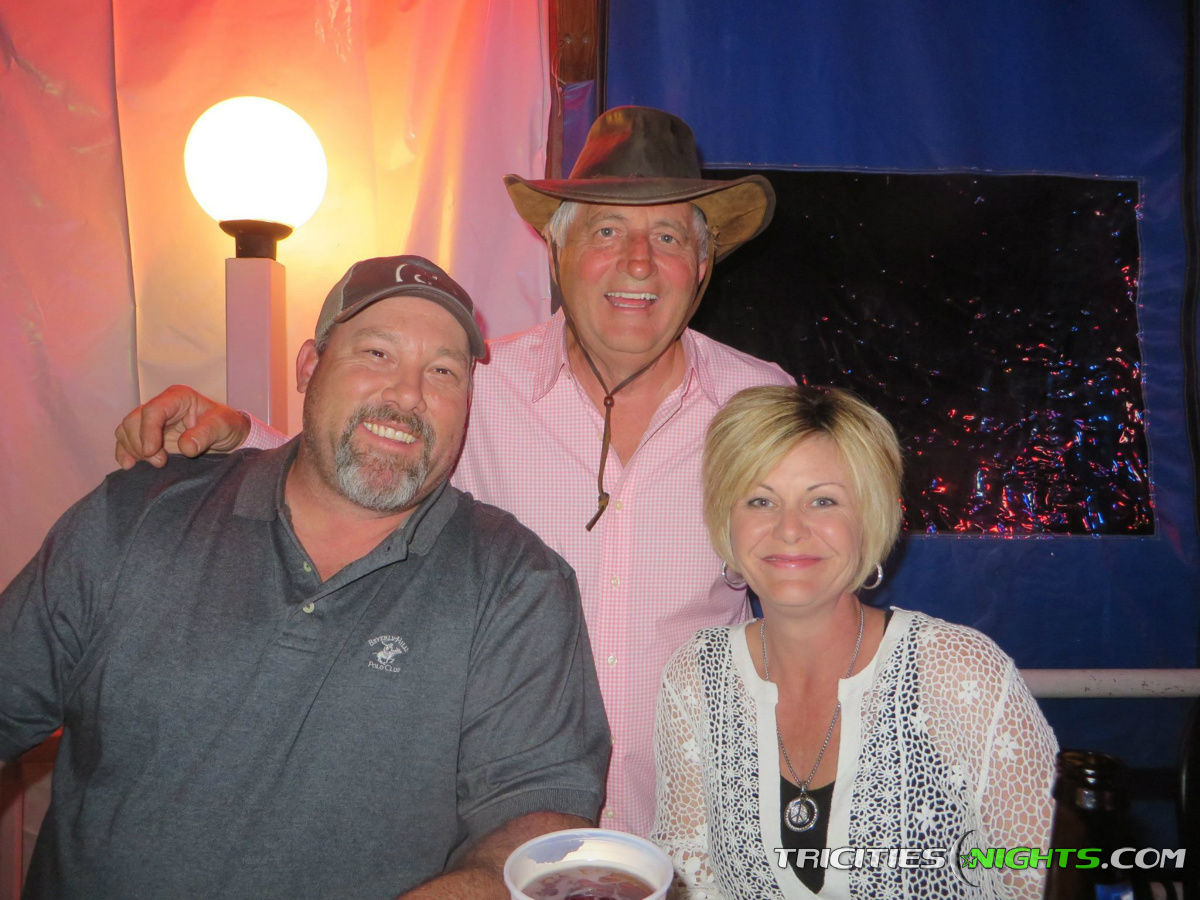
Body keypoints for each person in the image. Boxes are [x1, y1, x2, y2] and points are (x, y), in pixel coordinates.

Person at [112, 106, 795, 836]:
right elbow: (354, 473)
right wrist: (241, 435)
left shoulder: (762, 404)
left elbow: (810, 594)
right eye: (605, 231)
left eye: (668, 236)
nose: (637, 261)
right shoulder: (471, 387)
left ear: (702, 264)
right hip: (496, 835)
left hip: (694, 838)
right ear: (556, 249)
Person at [1, 255, 610, 900]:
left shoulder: (517, 583)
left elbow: (536, 826)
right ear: (308, 365)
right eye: (376, 353)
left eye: (442, 371)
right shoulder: (139, 515)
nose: (407, 394)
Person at [652, 385, 1057, 899]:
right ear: (725, 520)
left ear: (870, 518)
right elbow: (691, 883)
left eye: (823, 500)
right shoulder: (697, 675)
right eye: (760, 500)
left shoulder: (958, 672)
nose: (789, 529)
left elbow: (1044, 883)